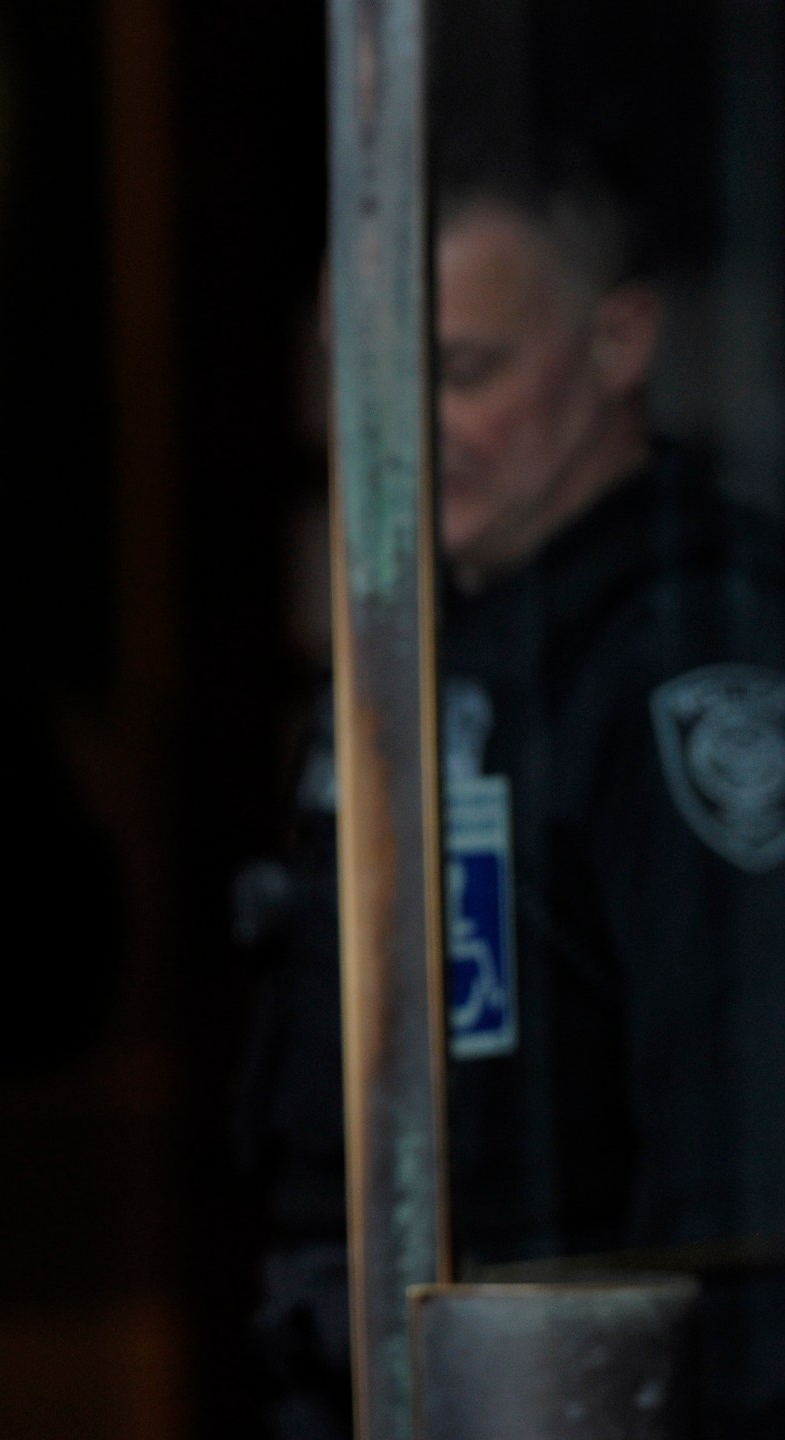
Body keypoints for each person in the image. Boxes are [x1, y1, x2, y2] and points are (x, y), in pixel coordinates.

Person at [240, 158, 785, 1436]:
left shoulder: (678, 658)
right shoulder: (433, 636)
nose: (396, 427)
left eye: (460, 371)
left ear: (619, 341)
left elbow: (738, 1167)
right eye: (360, 374)